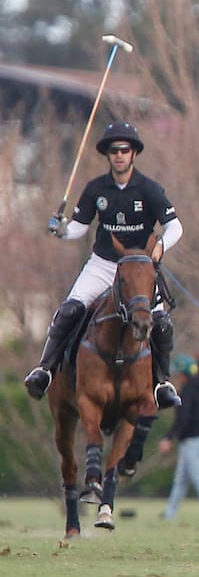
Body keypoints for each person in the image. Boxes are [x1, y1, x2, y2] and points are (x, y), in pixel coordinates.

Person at [24, 121, 183, 409]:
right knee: (69, 309)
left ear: (133, 153)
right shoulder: (96, 188)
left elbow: (175, 227)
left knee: (161, 323)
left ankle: (162, 383)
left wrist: (160, 246)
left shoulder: (149, 189)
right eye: (114, 150)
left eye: (124, 149)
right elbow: (79, 228)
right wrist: (62, 230)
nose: (119, 155)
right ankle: (44, 370)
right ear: (108, 155)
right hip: (103, 264)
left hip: (139, 269)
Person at [159, 355, 199, 521]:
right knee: (181, 479)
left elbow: (183, 419)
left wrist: (169, 438)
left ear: (183, 374)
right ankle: (170, 513)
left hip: (191, 441)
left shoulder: (187, 392)